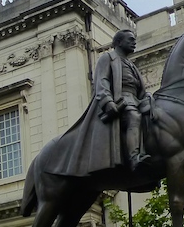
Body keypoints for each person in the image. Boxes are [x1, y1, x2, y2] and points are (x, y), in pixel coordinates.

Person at [46, 28, 152, 177]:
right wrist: (108, 102)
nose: (134, 42)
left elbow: (139, 88)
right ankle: (135, 158)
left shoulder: (131, 65)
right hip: (121, 101)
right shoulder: (107, 58)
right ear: (119, 42)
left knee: (155, 118)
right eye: (130, 40)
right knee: (134, 117)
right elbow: (102, 81)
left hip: (136, 100)